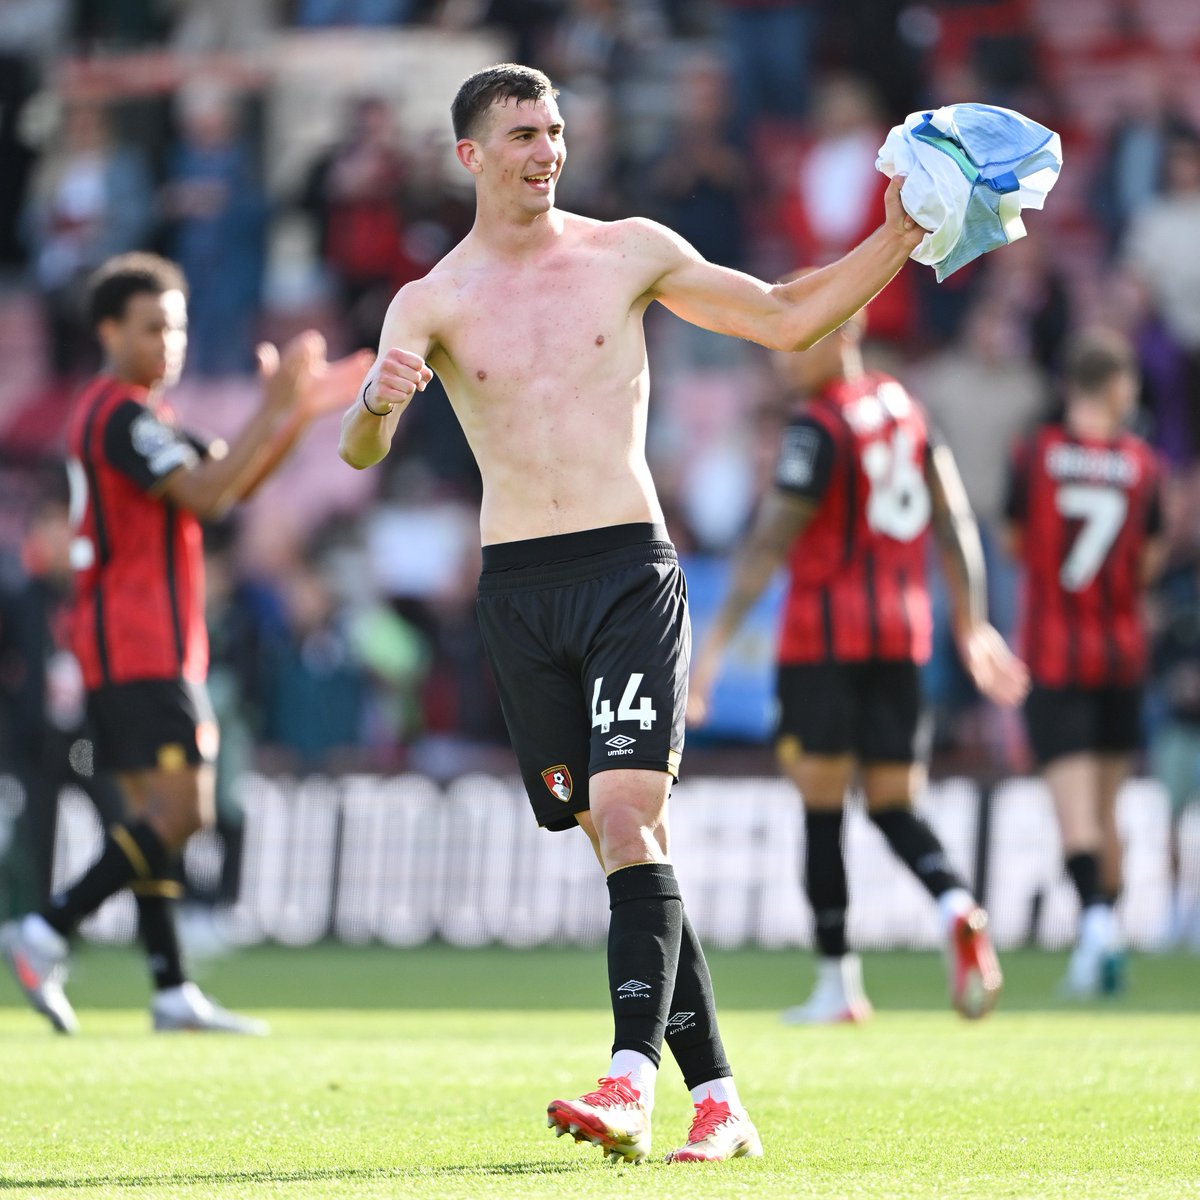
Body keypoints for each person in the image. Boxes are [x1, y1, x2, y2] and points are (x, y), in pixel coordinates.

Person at [337, 62, 929, 1166]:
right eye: (521, 134)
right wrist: (375, 405)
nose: (545, 150)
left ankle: (626, 1084)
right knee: (619, 845)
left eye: (555, 129)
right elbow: (360, 448)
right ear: (470, 155)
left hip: (623, 571)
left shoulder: (631, 251)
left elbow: (790, 314)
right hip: (516, 591)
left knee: (624, 817)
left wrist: (893, 237)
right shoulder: (429, 300)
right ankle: (722, 1100)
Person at [1, 251, 370, 1034]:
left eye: (177, 326)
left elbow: (234, 486)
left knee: (150, 820)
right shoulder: (119, 416)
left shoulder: (147, 423)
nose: (169, 342)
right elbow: (208, 493)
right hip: (142, 644)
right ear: (108, 330)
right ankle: (45, 928)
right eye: (152, 326)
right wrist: (274, 411)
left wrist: (291, 413)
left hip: (131, 645)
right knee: (184, 813)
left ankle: (170, 988)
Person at [687, 301, 1027, 1025]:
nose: (783, 353)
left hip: (824, 642)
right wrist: (973, 621)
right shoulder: (908, 407)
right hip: (903, 638)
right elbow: (955, 517)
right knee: (895, 802)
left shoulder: (815, 426)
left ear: (845, 333)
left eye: (798, 335)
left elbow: (769, 544)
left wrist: (709, 653)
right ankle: (957, 904)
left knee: (820, 810)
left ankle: (837, 984)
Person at [1004, 329, 1168, 997]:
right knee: (1108, 809)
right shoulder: (1144, 464)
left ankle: (1096, 933)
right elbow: (1150, 562)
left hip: (1055, 653)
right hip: (1123, 654)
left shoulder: (1035, 455)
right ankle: (1107, 943)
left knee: (1075, 814)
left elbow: (1017, 542)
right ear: (1118, 387)